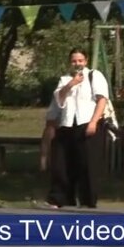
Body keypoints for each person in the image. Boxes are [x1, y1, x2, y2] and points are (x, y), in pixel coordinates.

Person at [41, 48, 110, 208]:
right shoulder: (64, 79)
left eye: (80, 61)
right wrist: (72, 83)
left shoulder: (94, 75)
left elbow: (102, 100)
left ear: (85, 61)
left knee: (87, 164)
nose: (77, 64)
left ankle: (88, 201)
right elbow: (59, 100)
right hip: (66, 124)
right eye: (74, 61)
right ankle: (59, 198)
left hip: (86, 122)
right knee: (62, 163)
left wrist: (93, 122)